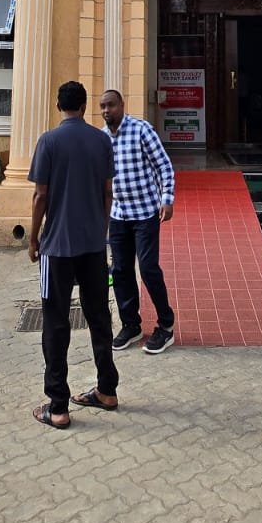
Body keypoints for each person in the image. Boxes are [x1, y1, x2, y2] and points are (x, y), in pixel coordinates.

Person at [28, 80, 119, 429]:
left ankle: (58, 406)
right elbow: (108, 191)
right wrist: (101, 228)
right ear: (84, 106)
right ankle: (107, 390)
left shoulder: (48, 141)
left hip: (57, 248)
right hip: (93, 246)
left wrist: (33, 238)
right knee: (99, 317)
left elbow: (40, 195)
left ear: (59, 106)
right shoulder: (101, 141)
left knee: (55, 322)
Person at [99, 88, 176, 355]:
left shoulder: (141, 130)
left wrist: (167, 199)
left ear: (122, 105)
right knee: (120, 270)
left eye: (111, 105)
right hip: (118, 215)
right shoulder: (101, 138)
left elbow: (164, 166)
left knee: (148, 268)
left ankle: (166, 325)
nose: (106, 110)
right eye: (102, 106)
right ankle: (131, 324)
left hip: (145, 214)